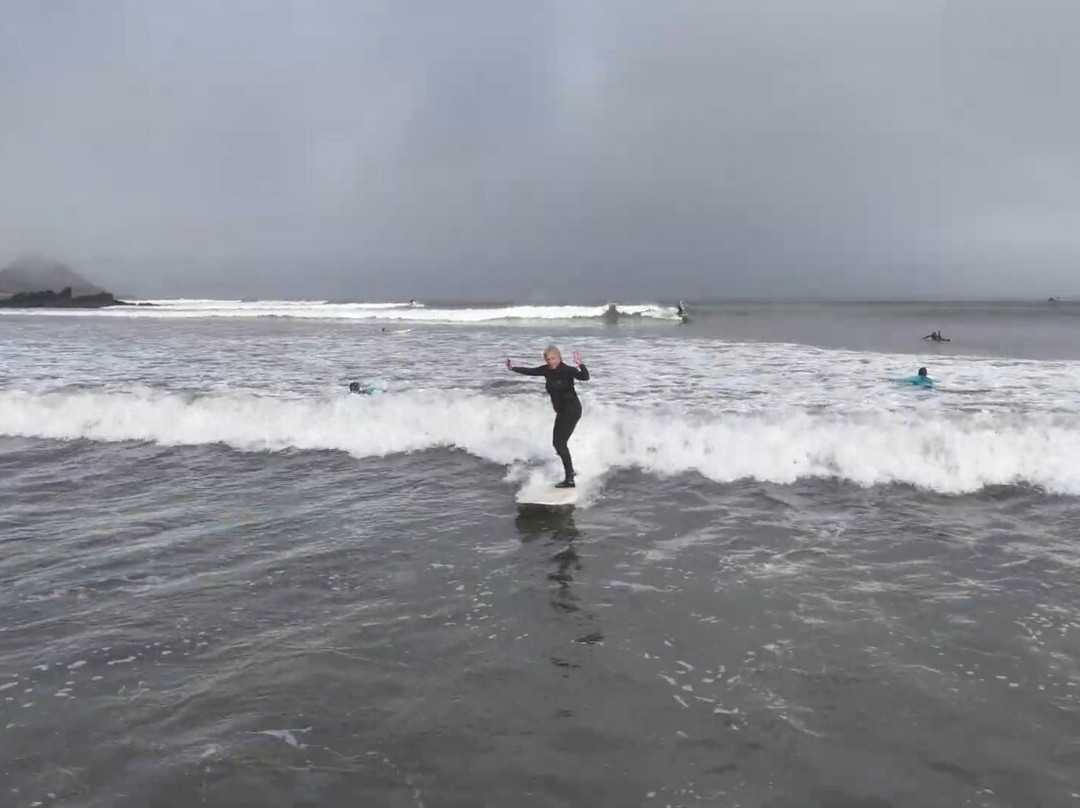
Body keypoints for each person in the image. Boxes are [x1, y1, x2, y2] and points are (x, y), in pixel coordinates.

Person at [507, 345, 590, 488]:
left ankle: (570, 479)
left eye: (553, 358)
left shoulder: (567, 370)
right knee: (558, 444)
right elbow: (530, 371)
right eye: (548, 359)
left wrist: (581, 364)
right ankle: (570, 472)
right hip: (562, 411)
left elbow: (585, 377)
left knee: (560, 444)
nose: (551, 361)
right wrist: (512, 368)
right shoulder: (546, 370)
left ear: (559, 358)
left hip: (571, 410)